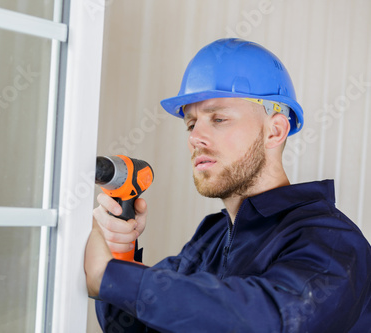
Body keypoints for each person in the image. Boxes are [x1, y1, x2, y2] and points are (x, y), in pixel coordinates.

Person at [84, 38, 371, 332]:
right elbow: (131, 328)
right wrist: (120, 254)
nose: (196, 137)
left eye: (218, 119)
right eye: (191, 124)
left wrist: (112, 276)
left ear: (275, 131)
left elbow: (270, 321)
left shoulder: (333, 242)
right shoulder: (211, 239)